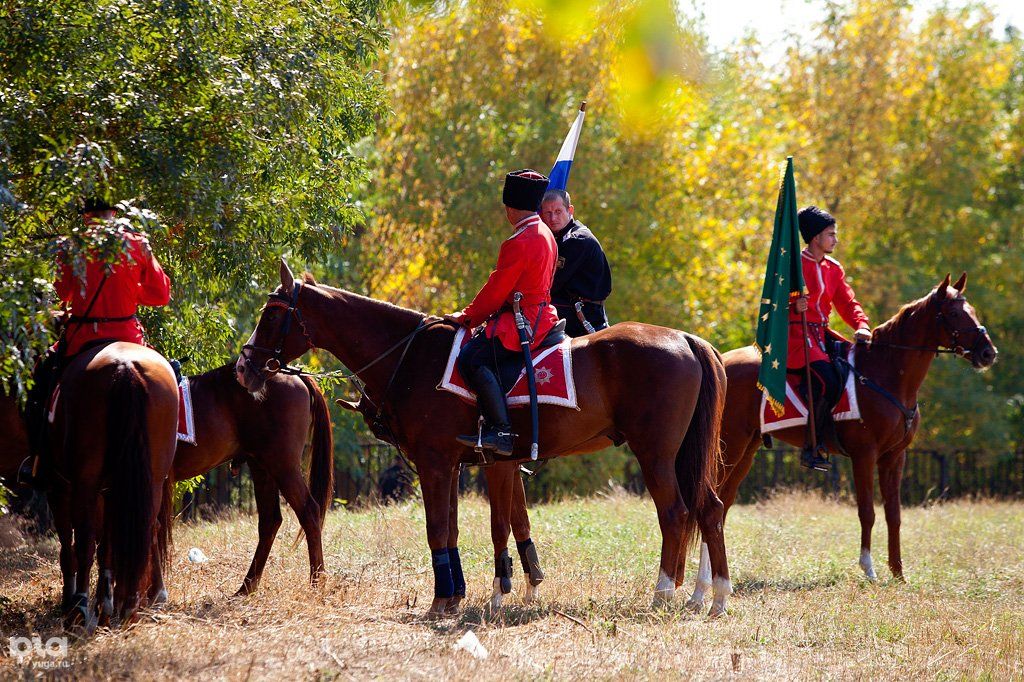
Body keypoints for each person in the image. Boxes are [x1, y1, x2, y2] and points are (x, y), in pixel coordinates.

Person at [20, 197, 172, 485]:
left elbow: (63, 291)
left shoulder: (71, 245)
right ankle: (173, 452)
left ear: (86, 216)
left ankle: (37, 459)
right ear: (115, 213)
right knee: (170, 376)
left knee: (40, 382)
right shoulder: (138, 243)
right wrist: (130, 292)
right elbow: (161, 295)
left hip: (82, 340)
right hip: (130, 336)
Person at [445, 170, 558, 458]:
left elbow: (496, 291)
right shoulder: (546, 232)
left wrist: (468, 317)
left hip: (524, 321)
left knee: (472, 358)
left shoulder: (518, 242)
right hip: (543, 314)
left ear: (509, 208)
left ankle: (502, 431)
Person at [789, 205, 871, 471]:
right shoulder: (792, 264)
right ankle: (812, 445)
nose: (835, 239)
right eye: (830, 234)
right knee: (828, 379)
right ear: (816, 238)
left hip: (821, 334)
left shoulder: (834, 268)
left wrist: (861, 325)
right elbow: (774, 299)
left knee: (857, 370)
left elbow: (848, 303)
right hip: (796, 334)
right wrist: (794, 305)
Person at [539, 189, 612, 336]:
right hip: (569, 306)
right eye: (548, 213)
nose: (553, 218)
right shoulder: (562, 236)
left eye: (558, 211)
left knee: (524, 316)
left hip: (583, 313)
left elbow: (551, 284)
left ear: (570, 210)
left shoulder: (577, 239)